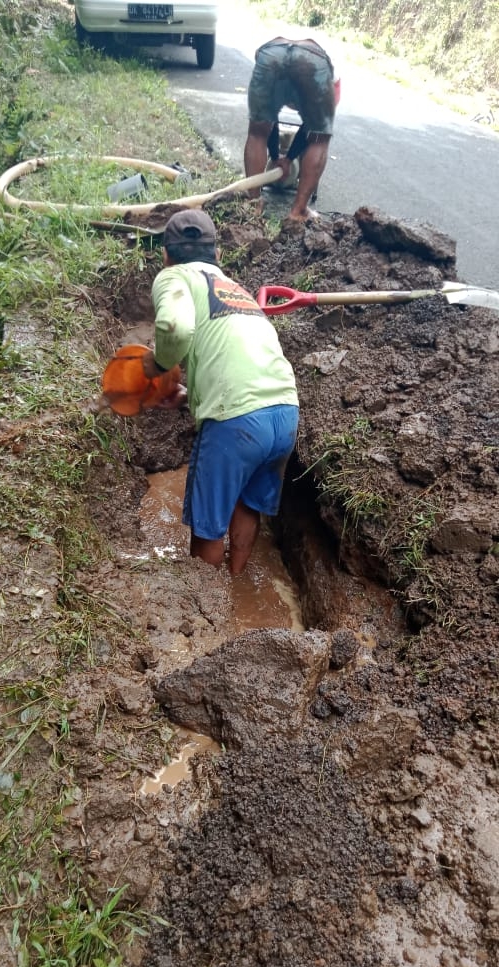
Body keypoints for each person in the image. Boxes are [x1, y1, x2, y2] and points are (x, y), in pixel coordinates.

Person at [142, 208, 299, 576]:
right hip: (285, 413)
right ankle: (236, 581)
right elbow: (233, 362)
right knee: (247, 506)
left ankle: (205, 615)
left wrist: (161, 365)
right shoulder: (234, 289)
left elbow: (174, 327)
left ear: (165, 255)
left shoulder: (173, 276)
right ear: (217, 255)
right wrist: (190, 396)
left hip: (237, 422)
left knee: (208, 524)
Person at [244, 36, 338, 222]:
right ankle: (298, 211)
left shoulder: (332, 78)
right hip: (312, 60)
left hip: (271, 54)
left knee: (257, 132)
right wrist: (280, 158)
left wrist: (286, 158)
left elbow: (268, 123)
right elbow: (313, 132)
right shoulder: (328, 78)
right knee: (320, 139)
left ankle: (253, 204)